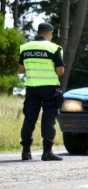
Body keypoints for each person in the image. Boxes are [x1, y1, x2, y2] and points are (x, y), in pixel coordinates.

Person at [18, 22, 65, 161]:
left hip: (32, 88)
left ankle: (26, 152)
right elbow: (60, 71)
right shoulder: (54, 48)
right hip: (50, 89)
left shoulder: (25, 47)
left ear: (38, 32)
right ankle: (47, 152)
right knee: (49, 119)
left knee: (29, 119)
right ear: (50, 32)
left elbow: (21, 70)